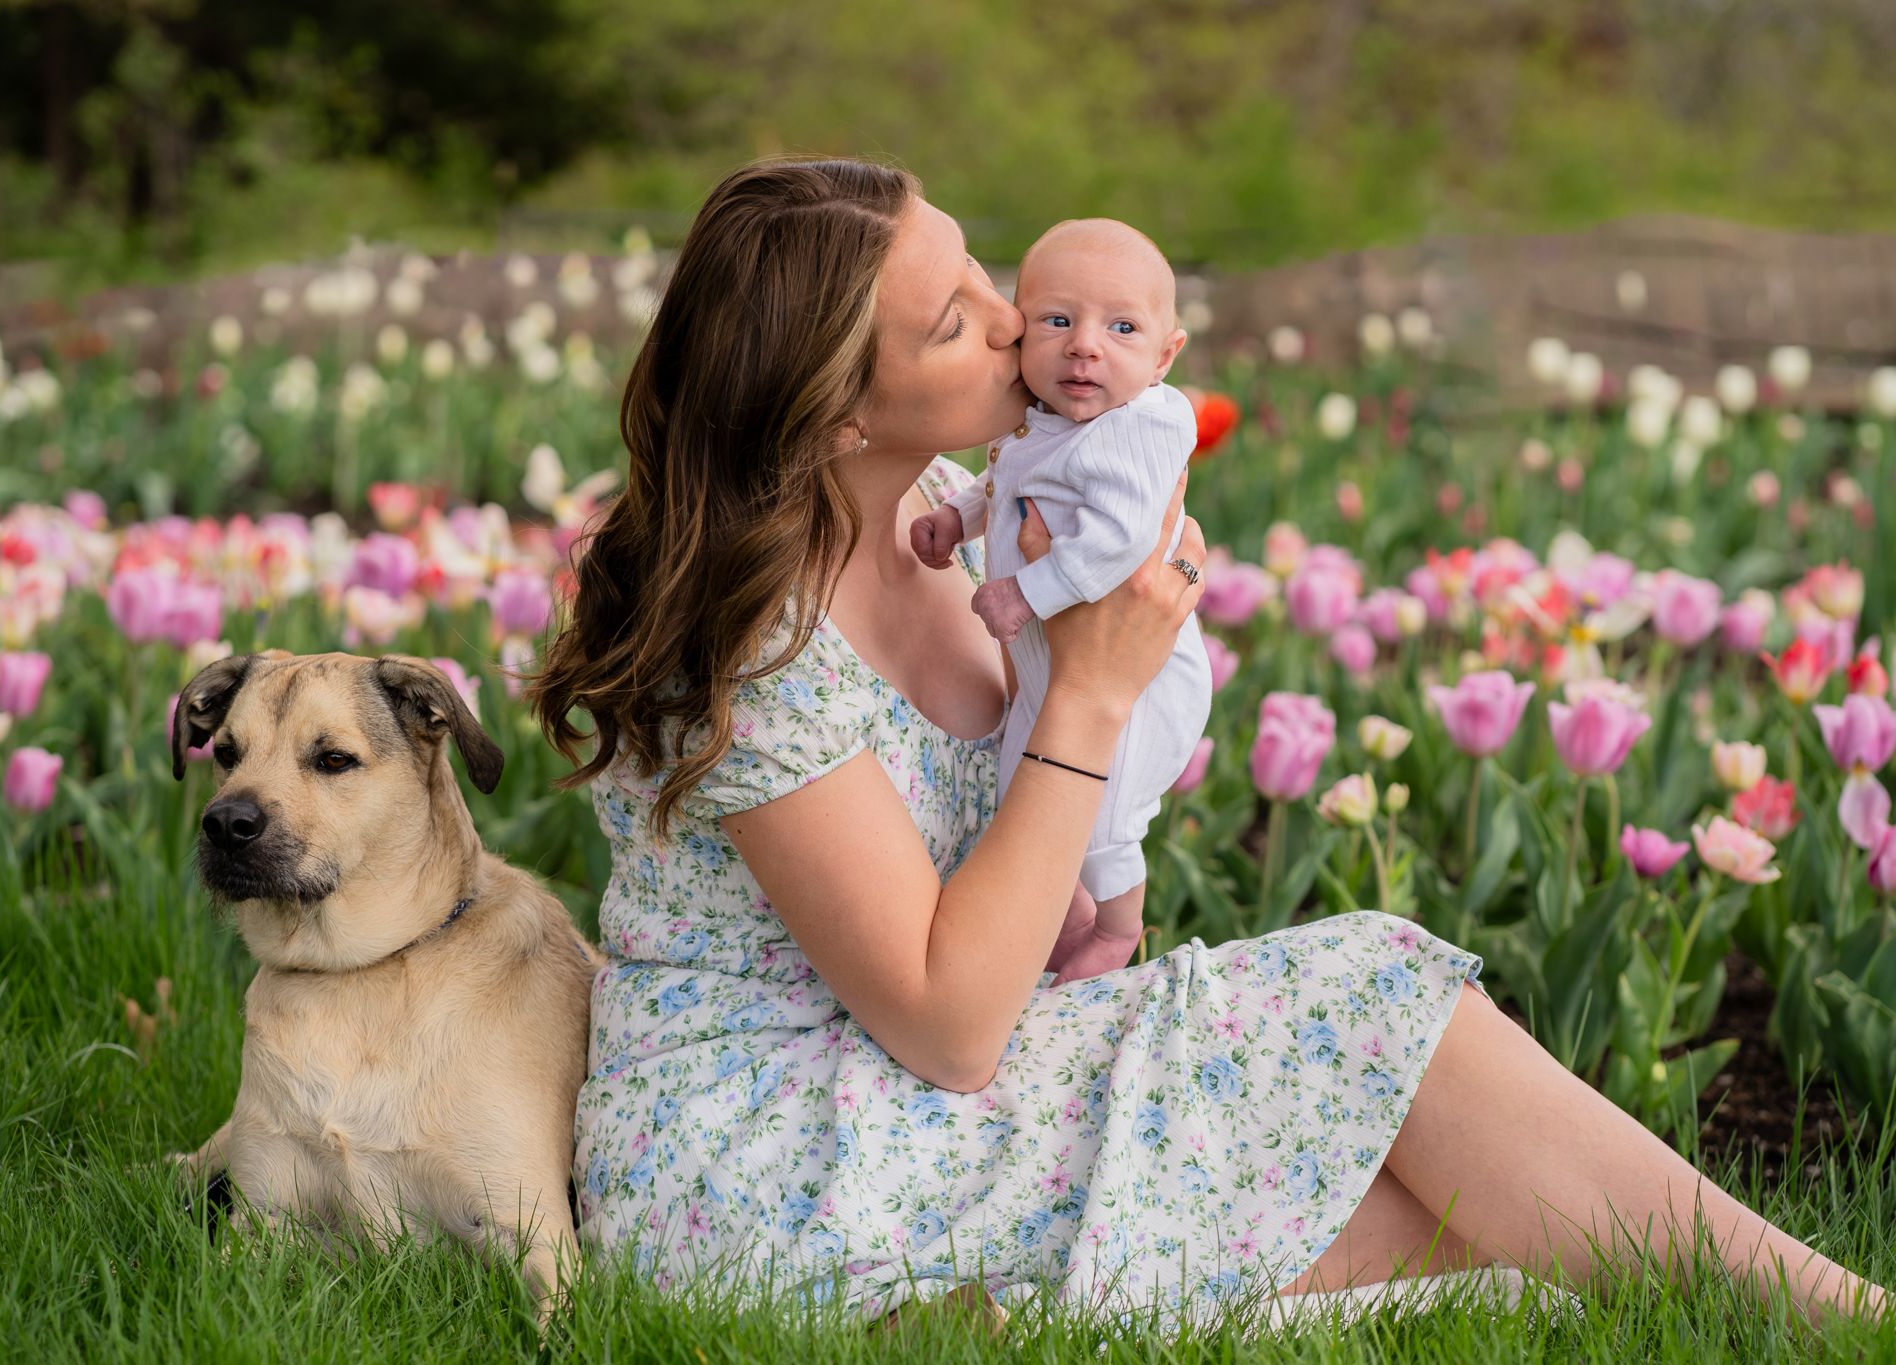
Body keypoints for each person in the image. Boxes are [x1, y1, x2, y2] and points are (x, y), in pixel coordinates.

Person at [532, 158, 1885, 1328]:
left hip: (939, 1077)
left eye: (982, 274)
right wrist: (1089, 695)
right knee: (1436, 1106)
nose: (1019, 326)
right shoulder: (750, 651)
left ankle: (1831, 1318)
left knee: (1446, 1120)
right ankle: (1842, 1321)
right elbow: (949, 1023)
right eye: (956, 324)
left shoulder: (952, 504)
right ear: (838, 416)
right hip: (779, 1157)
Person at [910, 217, 1212, 982]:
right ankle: (1057, 914)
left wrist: (1024, 592)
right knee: (1025, 793)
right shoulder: (1047, 423)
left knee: (1103, 815)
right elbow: (1007, 483)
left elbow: (1117, 541)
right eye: (1056, 320)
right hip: (1053, 665)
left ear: (1165, 354)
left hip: (1138, 677)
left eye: (1121, 326)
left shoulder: (1133, 430)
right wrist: (959, 517)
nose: (1084, 344)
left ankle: (1118, 927)